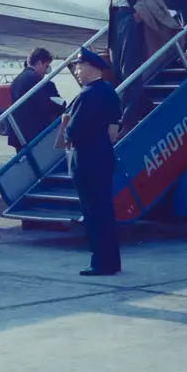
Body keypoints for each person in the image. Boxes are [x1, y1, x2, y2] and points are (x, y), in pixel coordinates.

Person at [95, 0, 174, 132]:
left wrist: (142, 11)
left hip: (131, 19)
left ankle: (129, 119)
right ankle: (143, 106)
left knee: (129, 68)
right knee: (117, 70)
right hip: (116, 21)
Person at [61, 46, 123, 276]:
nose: (77, 72)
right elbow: (115, 120)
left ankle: (100, 262)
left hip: (87, 159)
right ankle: (112, 261)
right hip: (103, 156)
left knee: (92, 213)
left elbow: (72, 130)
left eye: (78, 67)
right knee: (105, 211)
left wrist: (66, 129)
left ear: (89, 67)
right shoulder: (108, 90)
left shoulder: (86, 95)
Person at [6, 48, 66, 150]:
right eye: (46, 66)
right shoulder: (34, 78)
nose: (45, 71)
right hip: (31, 133)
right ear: (39, 63)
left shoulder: (18, 79)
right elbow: (44, 104)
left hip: (19, 132)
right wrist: (62, 109)